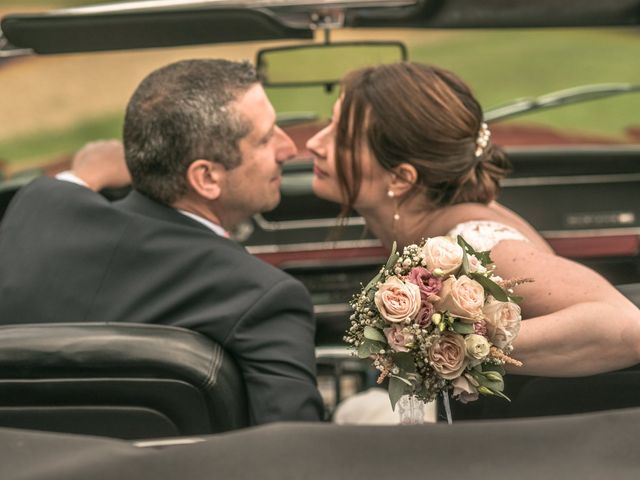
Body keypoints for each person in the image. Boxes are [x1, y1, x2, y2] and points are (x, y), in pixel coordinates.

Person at [0, 59, 324, 425]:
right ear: (206, 178)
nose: (288, 148)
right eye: (265, 139)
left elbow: (63, 191)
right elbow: (291, 445)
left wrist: (87, 172)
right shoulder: (264, 297)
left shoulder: (38, 207)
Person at [307, 61, 640, 378]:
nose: (314, 144)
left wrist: (460, 346)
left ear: (400, 179)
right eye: (330, 124)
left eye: (343, 139)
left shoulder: (478, 241)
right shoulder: (414, 222)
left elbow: (624, 325)